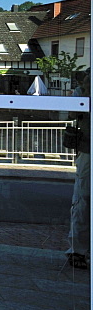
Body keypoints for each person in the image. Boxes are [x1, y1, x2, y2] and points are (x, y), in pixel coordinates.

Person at [67, 69, 90, 270]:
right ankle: (78, 250)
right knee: (84, 199)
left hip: (87, 150)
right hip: (88, 150)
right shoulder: (85, 84)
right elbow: (74, 112)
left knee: (84, 199)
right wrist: (85, 87)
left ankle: (78, 251)